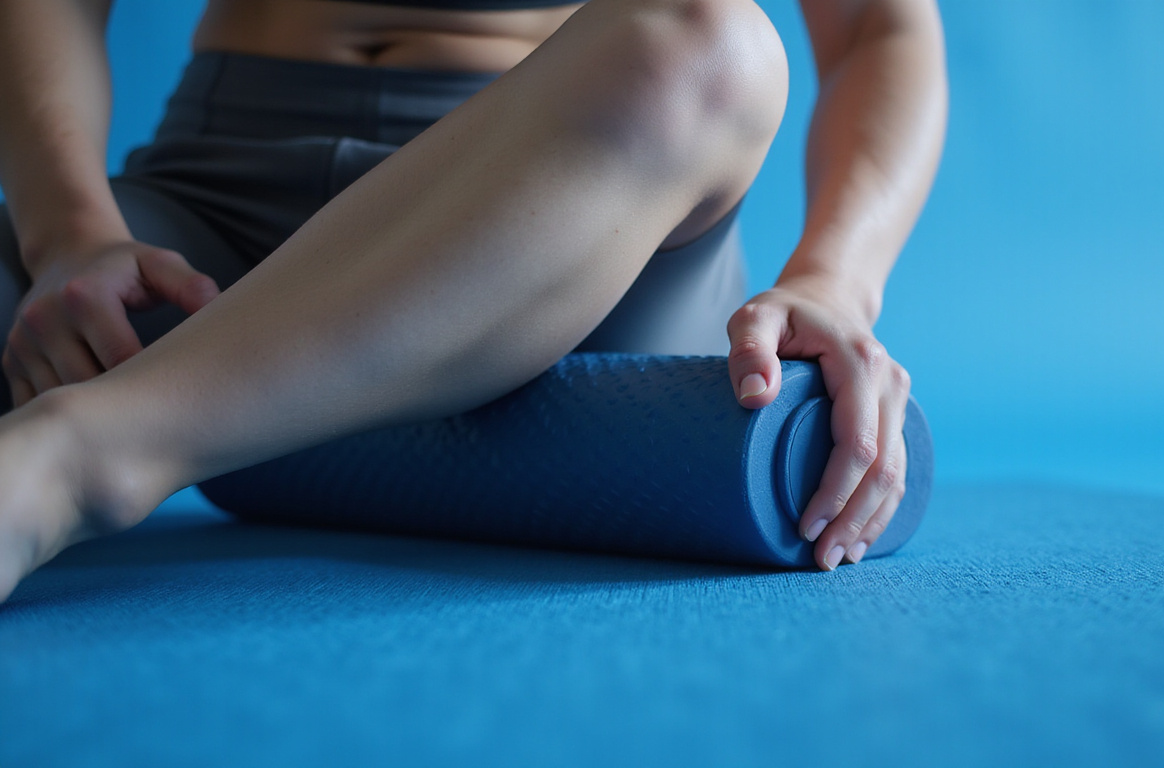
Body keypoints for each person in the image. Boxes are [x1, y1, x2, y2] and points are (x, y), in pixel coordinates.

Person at [0, 0, 947, 600]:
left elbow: (879, 24)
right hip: (210, 200)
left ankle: (85, 455)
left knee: (717, 46)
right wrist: (69, 233)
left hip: (558, 210)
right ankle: (193, 405)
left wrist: (837, 278)